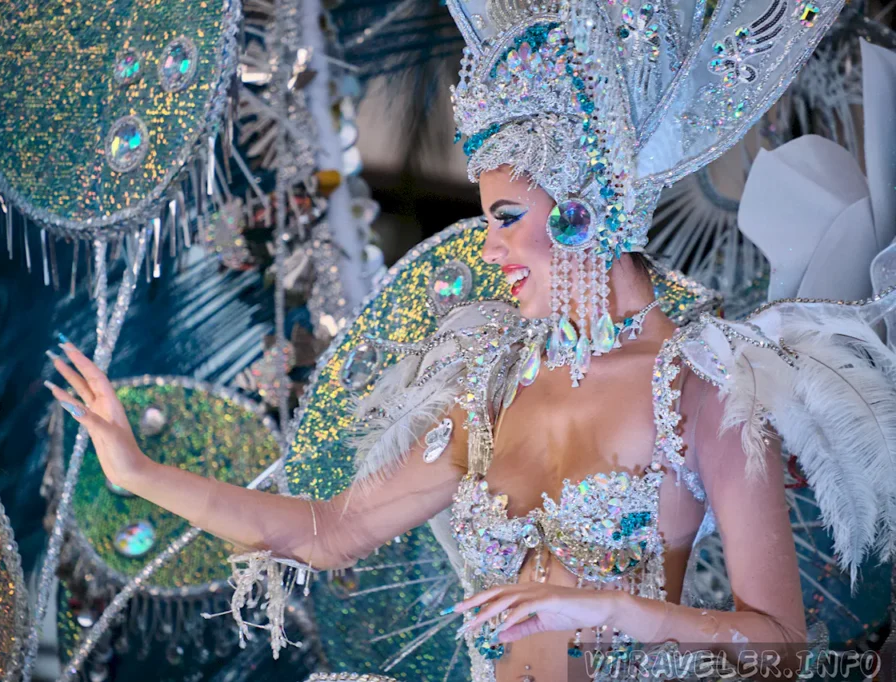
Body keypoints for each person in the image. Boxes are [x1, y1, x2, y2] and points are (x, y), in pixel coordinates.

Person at [45, 0, 896, 679]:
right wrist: (138, 472)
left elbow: (779, 643)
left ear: (579, 214)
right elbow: (327, 531)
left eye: (505, 218)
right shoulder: (492, 386)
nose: (488, 248)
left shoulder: (705, 387)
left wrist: (615, 613)